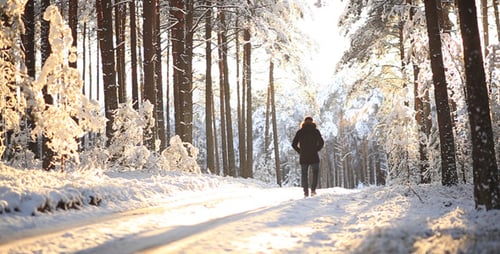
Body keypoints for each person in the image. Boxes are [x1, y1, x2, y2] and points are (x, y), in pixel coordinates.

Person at [292, 116, 325, 197]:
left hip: (303, 156)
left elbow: (294, 144)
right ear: (312, 122)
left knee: (304, 174)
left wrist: (300, 151)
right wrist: (316, 149)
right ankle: (313, 190)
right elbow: (321, 142)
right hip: (314, 156)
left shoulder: (300, 132)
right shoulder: (315, 131)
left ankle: (305, 192)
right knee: (315, 173)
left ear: (304, 122)